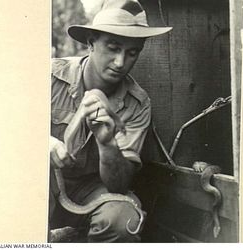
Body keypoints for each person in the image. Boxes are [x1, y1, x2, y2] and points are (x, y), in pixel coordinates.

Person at [49, 0, 172, 242]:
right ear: (91, 43)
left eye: (132, 52)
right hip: (41, 182)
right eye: (113, 48)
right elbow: (0, 127)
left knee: (123, 219)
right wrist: (41, 142)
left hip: (90, 191)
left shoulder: (138, 104)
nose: (120, 62)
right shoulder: (49, 77)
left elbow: (119, 186)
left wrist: (107, 144)